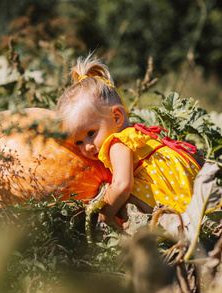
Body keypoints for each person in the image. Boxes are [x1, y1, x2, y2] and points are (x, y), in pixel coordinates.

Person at [56, 54, 200, 230]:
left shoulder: (116, 144)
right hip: (186, 186)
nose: (87, 146)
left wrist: (104, 214)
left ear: (117, 117)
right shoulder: (137, 134)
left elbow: (122, 185)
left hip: (168, 198)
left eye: (91, 133)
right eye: (78, 143)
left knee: (120, 195)